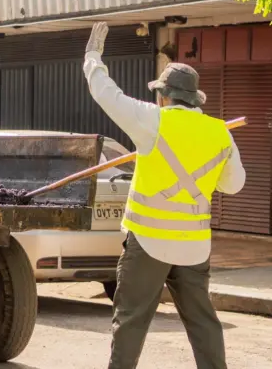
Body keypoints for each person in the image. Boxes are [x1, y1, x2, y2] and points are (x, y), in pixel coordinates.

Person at [83, 22, 246, 369]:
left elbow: (106, 93)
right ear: (195, 98)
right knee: (204, 325)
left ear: (163, 95)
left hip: (149, 244)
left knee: (130, 322)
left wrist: (92, 57)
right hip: (194, 247)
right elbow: (234, 185)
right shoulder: (220, 133)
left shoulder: (152, 120)